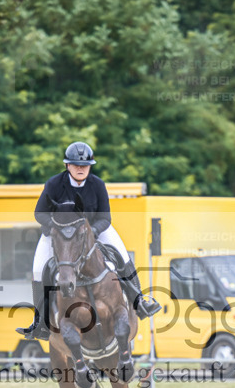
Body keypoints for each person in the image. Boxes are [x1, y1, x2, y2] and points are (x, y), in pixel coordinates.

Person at [18, 141, 160, 340]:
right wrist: (55, 229)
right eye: (76, 164)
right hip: (57, 234)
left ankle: (140, 301)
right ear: (67, 165)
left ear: (90, 166)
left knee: (122, 256)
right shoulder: (54, 184)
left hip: (93, 231)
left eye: (84, 165)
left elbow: (105, 218)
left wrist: (91, 231)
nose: (80, 168)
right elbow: (39, 213)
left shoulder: (97, 185)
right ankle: (40, 321)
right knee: (38, 269)